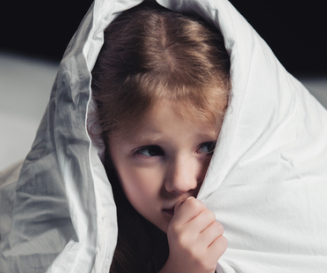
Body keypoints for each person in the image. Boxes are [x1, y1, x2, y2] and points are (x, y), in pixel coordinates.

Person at [89, 2, 230, 273]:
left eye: (208, 146)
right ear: (104, 149)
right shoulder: (95, 242)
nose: (182, 182)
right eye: (151, 151)